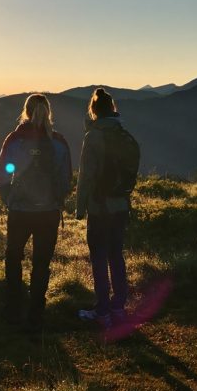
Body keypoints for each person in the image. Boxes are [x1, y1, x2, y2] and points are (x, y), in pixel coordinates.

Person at [0, 93, 72, 332]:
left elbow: (3, 172)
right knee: (41, 263)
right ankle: (37, 313)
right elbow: (66, 178)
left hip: (20, 210)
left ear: (26, 111)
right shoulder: (59, 142)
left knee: (13, 257)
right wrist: (57, 200)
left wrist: (9, 198)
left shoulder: (15, 140)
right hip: (48, 212)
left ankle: (12, 309)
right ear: (48, 112)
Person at [76, 87, 139, 328]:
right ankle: (119, 308)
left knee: (99, 258)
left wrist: (80, 208)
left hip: (100, 207)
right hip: (121, 205)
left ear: (93, 111)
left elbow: (86, 176)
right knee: (116, 255)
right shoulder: (124, 135)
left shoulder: (93, 137)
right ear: (113, 109)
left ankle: (102, 311)